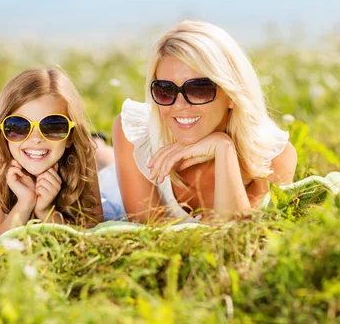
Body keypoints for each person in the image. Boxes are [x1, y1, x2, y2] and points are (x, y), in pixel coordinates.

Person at [107, 20, 297, 223]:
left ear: (232, 95)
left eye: (198, 89)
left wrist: (223, 147)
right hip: (109, 186)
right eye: (165, 89)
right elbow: (150, 232)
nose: (179, 105)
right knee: (99, 155)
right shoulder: (136, 135)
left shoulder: (274, 157)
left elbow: (240, 236)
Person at [0, 69, 104, 241]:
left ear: (70, 136)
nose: (36, 139)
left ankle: (102, 144)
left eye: (53, 127)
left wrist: (46, 211)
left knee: (105, 157)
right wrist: (25, 203)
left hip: (95, 161)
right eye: (18, 126)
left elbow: (94, 233)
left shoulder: (83, 152)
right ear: (3, 130)